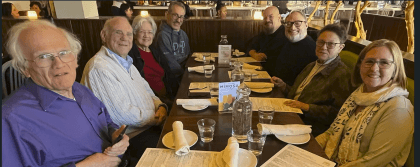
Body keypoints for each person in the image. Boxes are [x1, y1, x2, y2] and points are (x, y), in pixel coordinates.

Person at [2, 20, 129, 167]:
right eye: (43, 57)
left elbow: (107, 122)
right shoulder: (10, 118)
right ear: (25, 68)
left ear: (75, 59)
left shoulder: (80, 90)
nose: (59, 63)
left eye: (64, 53)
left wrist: (116, 137)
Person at [81, 17, 168, 162]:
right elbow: (120, 116)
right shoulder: (99, 67)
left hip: (148, 126)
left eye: (128, 34)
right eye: (118, 32)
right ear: (104, 35)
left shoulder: (126, 61)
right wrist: (156, 117)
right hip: (130, 139)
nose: (124, 38)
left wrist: (160, 105)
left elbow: (147, 89)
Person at [316, 39, 414, 166]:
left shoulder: (399, 108)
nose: (374, 68)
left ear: (396, 69)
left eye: (384, 63)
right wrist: (307, 148)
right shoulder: (359, 94)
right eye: (369, 61)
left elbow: (373, 162)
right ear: (360, 65)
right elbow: (332, 132)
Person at [271, 24, 353, 136]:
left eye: (330, 44)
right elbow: (299, 96)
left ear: (340, 47)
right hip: (290, 114)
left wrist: (307, 107)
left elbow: (338, 114)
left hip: (308, 127)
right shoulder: (311, 65)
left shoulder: (342, 74)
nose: (324, 47)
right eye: (321, 42)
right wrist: (284, 86)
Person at [128, 15, 180, 107]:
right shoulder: (131, 54)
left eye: (150, 32)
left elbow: (169, 74)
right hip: (153, 103)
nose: (146, 36)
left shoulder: (155, 50)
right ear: (135, 33)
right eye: (142, 32)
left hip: (168, 97)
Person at [269, 10, 318, 86]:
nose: (292, 27)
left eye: (297, 23)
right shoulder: (287, 42)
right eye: (288, 23)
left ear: (306, 25)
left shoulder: (312, 49)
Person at [155, 1, 190, 79]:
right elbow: (170, 64)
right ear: (167, 14)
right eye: (175, 15)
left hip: (185, 75)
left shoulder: (183, 34)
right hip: (173, 79)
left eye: (181, 17)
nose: (178, 20)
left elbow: (188, 57)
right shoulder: (162, 36)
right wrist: (186, 76)